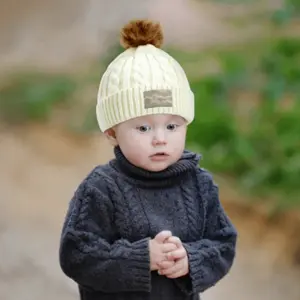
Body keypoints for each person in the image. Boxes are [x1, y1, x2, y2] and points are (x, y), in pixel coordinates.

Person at [59, 19, 237, 300]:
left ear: (186, 125)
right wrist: (142, 257)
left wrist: (191, 259)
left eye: (172, 126)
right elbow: (76, 254)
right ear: (112, 131)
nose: (160, 139)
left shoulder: (199, 184)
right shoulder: (101, 188)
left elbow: (223, 242)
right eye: (143, 128)